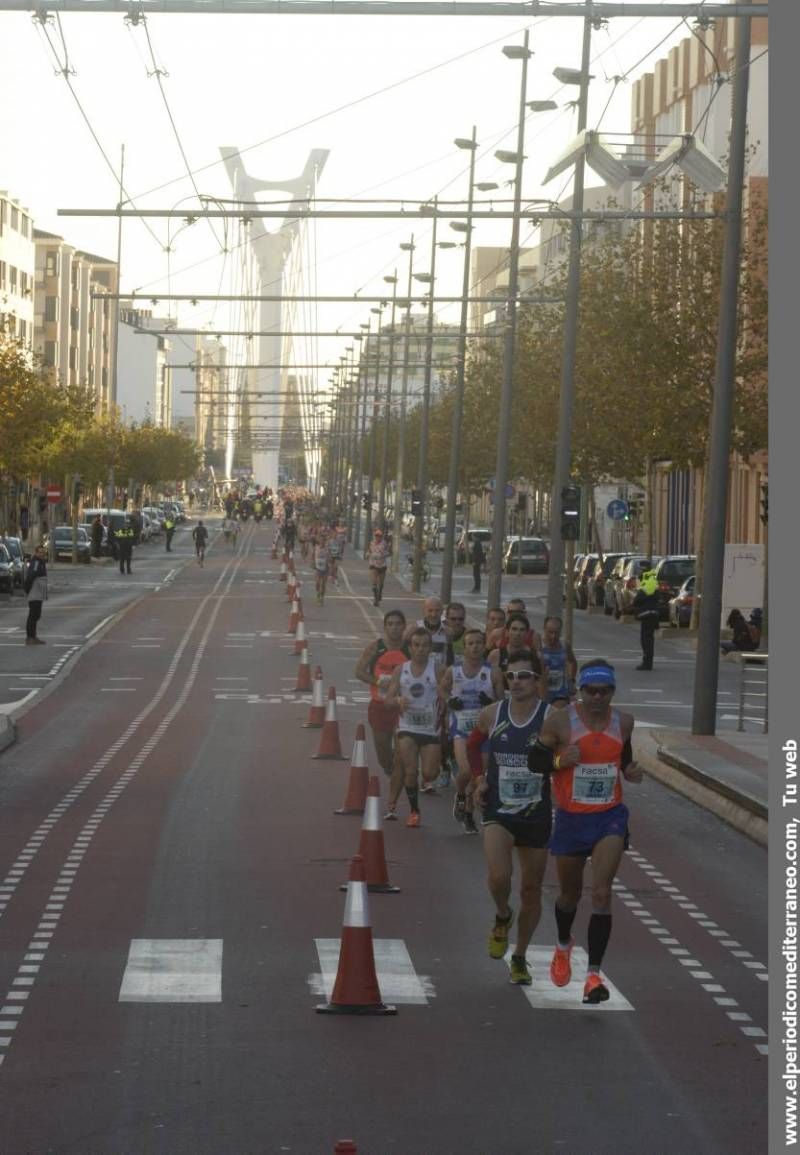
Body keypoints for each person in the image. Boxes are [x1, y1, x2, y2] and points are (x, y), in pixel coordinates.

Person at [529, 659, 643, 1004]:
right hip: (571, 819)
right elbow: (535, 762)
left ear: (612, 692)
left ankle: (593, 976)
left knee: (602, 892)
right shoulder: (561, 723)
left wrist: (630, 770)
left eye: (604, 691)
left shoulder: (624, 722)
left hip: (609, 816)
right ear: (580, 691)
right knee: (569, 895)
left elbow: (624, 758)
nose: (597, 697)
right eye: (590, 690)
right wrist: (561, 761)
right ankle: (563, 944)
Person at [470, 650, 552, 984]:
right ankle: (503, 915)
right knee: (499, 877)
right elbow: (472, 745)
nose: (516, 682)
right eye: (511, 676)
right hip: (499, 810)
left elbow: (568, 756)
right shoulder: (492, 714)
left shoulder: (552, 718)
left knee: (531, 890)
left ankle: (519, 956)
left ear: (537, 680)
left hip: (536, 813)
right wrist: (478, 779)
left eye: (524, 676)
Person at [440, 628, 504, 834]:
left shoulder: (492, 671)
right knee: (466, 770)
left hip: (484, 730)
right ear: (465, 647)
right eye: (470, 643)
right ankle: (460, 794)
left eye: (478, 643)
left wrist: (491, 701)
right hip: (461, 726)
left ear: (484, 646)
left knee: (478, 776)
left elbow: (502, 701)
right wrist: (450, 700)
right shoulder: (454, 670)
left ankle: (467, 812)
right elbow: (441, 689)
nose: (475, 647)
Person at [383, 628, 443, 827]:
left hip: (430, 728)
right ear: (410, 647)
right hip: (407, 727)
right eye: (416, 645)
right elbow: (388, 700)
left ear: (430, 648)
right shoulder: (401, 669)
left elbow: (447, 695)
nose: (420, 649)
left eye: (425, 645)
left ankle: (436, 766)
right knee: (410, 771)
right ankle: (414, 811)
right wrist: (398, 699)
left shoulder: (438, 669)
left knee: (430, 773)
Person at [355, 610, 408, 777]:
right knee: (382, 750)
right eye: (390, 624)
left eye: (398, 624)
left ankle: (401, 777)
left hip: (402, 706)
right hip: (379, 705)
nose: (394, 628)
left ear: (404, 626)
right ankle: (389, 767)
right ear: (384, 627)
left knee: (403, 749)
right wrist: (378, 681)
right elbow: (359, 672)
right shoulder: (375, 647)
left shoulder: (410, 648)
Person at [540, 616, 577, 704]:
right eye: (550, 632)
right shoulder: (539, 645)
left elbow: (572, 662)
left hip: (561, 692)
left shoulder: (564, 645)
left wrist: (571, 680)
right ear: (544, 629)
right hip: (543, 691)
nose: (553, 636)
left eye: (557, 633)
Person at [632, 569, 660, 670]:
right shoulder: (654, 585)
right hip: (654, 614)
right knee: (650, 639)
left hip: (646, 614)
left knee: (645, 640)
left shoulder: (646, 586)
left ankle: (646, 663)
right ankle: (649, 662)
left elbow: (636, 601)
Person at [24, 545, 48, 645]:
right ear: (36, 553)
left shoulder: (40, 562)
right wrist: (27, 589)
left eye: (44, 553)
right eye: (40, 552)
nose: (42, 554)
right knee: (33, 615)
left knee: (36, 615)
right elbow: (31, 576)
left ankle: (33, 636)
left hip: (38, 593)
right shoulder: (36, 563)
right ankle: (30, 637)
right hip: (34, 593)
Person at [365, 527, 389, 607]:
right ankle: (376, 600)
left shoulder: (384, 544)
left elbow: (389, 552)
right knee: (374, 583)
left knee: (381, 584)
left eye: (379, 536)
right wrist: (367, 554)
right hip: (373, 564)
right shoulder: (371, 543)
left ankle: (380, 593)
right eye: (376, 535)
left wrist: (385, 554)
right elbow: (369, 551)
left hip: (382, 565)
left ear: (381, 536)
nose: (377, 537)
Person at [313, 534, 330, 604]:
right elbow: (312, 556)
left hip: (325, 569)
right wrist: (313, 563)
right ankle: (318, 594)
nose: (322, 542)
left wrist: (328, 564)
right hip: (318, 568)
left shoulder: (327, 549)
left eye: (323, 541)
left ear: (325, 542)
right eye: (321, 540)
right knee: (317, 583)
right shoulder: (316, 547)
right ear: (319, 541)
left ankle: (321, 597)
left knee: (323, 584)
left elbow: (329, 558)